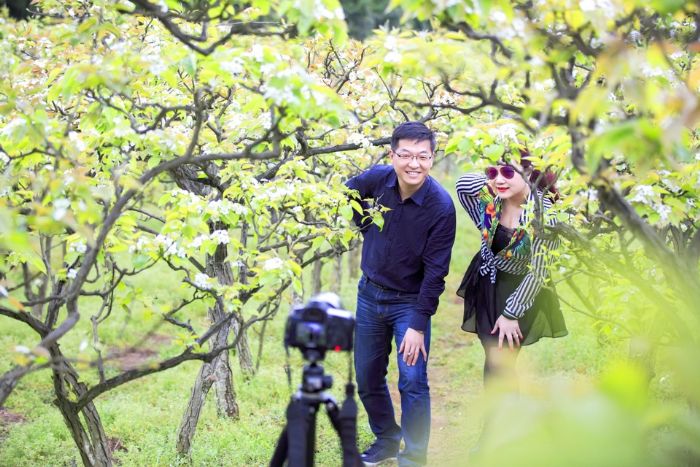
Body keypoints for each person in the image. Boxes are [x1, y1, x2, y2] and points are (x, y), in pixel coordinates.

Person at [345, 121, 456, 466]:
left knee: (412, 380)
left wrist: (418, 324)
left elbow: (436, 273)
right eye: (405, 155)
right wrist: (364, 223)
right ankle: (387, 440)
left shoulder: (440, 206)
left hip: (409, 303)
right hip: (369, 295)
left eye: (422, 156)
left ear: (432, 158)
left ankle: (415, 456)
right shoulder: (377, 181)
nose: (414, 164)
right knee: (366, 376)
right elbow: (347, 191)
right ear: (392, 155)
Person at [455, 151, 567, 384]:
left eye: (508, 172)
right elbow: (463, 184)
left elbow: (539, 271)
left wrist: (511, 313)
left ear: (530, 173)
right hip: (486, 282)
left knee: (501, 362)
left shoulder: (543, 213)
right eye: (492, 172)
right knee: (494, 357)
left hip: (521, 289)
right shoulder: (491, 200)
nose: (498, 180)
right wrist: (495, 176)